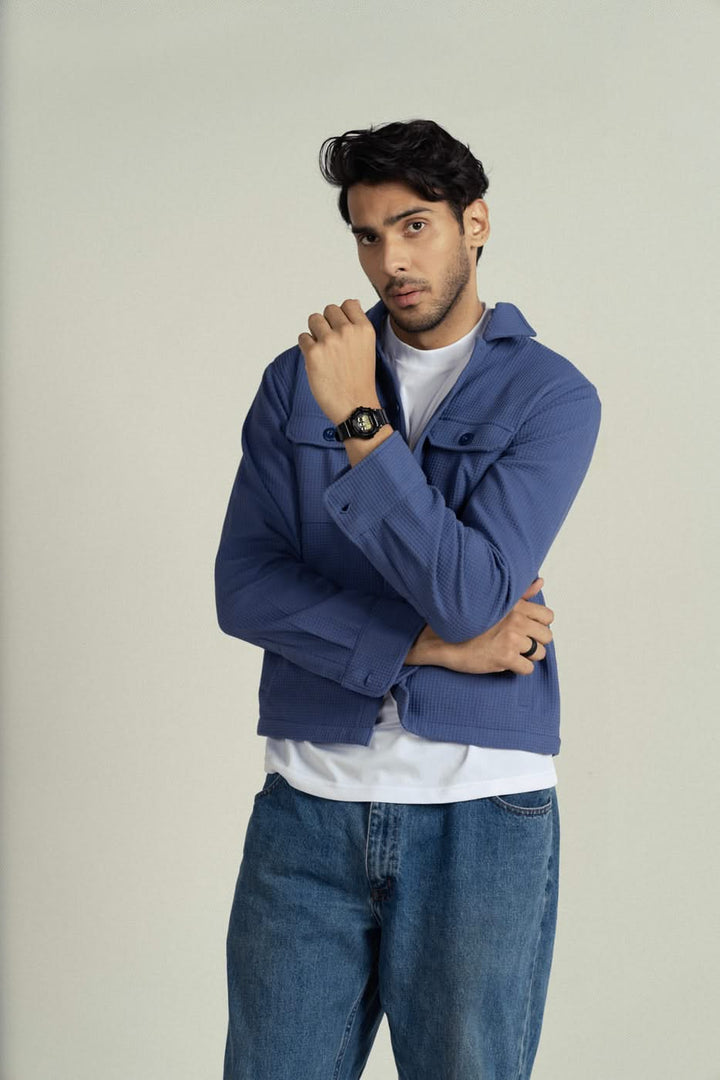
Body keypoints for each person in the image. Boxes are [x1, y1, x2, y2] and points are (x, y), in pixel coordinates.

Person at [215, 118, 602, 1079]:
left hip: (480, 816)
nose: (390, 260)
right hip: (307, 810)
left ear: (476, 224)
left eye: (415, 226)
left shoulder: (553, 397)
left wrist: (360, 421)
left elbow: (470, 595)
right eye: (367, 234)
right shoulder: (292, 381)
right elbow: (245, 589)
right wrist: (425, 648)